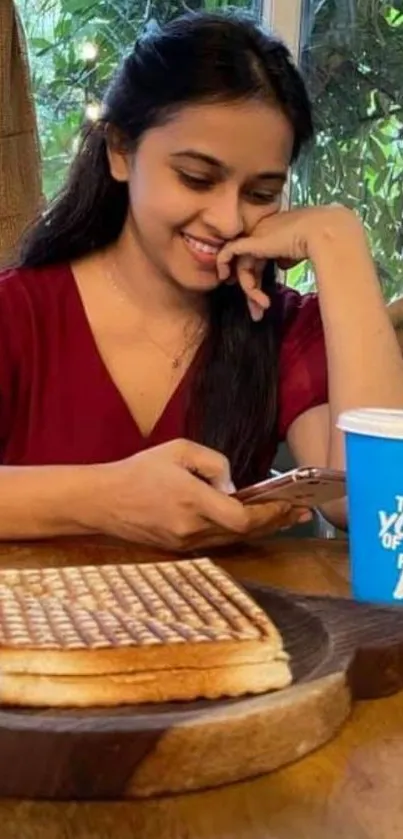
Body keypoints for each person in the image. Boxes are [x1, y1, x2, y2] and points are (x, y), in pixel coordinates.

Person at [0, 11, 402, 550]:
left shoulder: (277, 326)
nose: (228, 220)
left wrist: (339, 242)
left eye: (260, 193)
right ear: (121, 151)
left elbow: (377, 504)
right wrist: (107, 498)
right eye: (196, 178)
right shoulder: (20, 313)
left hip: (228, 634)